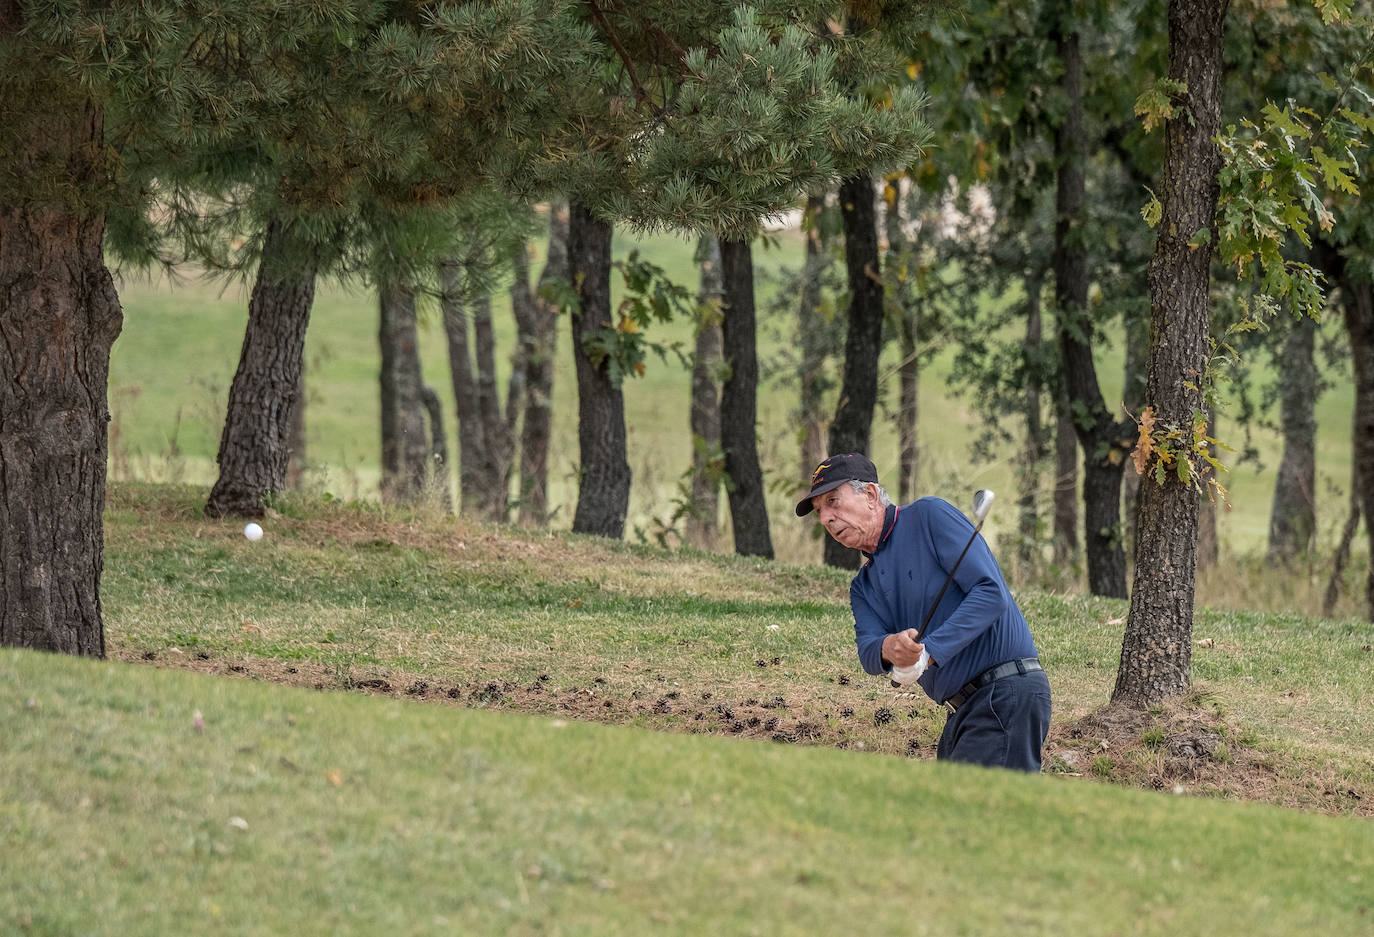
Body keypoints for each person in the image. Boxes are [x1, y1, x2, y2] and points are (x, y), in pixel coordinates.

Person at [797, 452, 1051, 772]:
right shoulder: (863, 585)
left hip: (1005, 694)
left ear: (871, 495)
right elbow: (869, 650)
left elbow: (990, 594)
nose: (825, 519)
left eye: (833, 501)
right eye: (819, 510)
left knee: (977, 818)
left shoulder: (929, 517)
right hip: (961, 711)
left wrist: (927, 654)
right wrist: (893, 649)